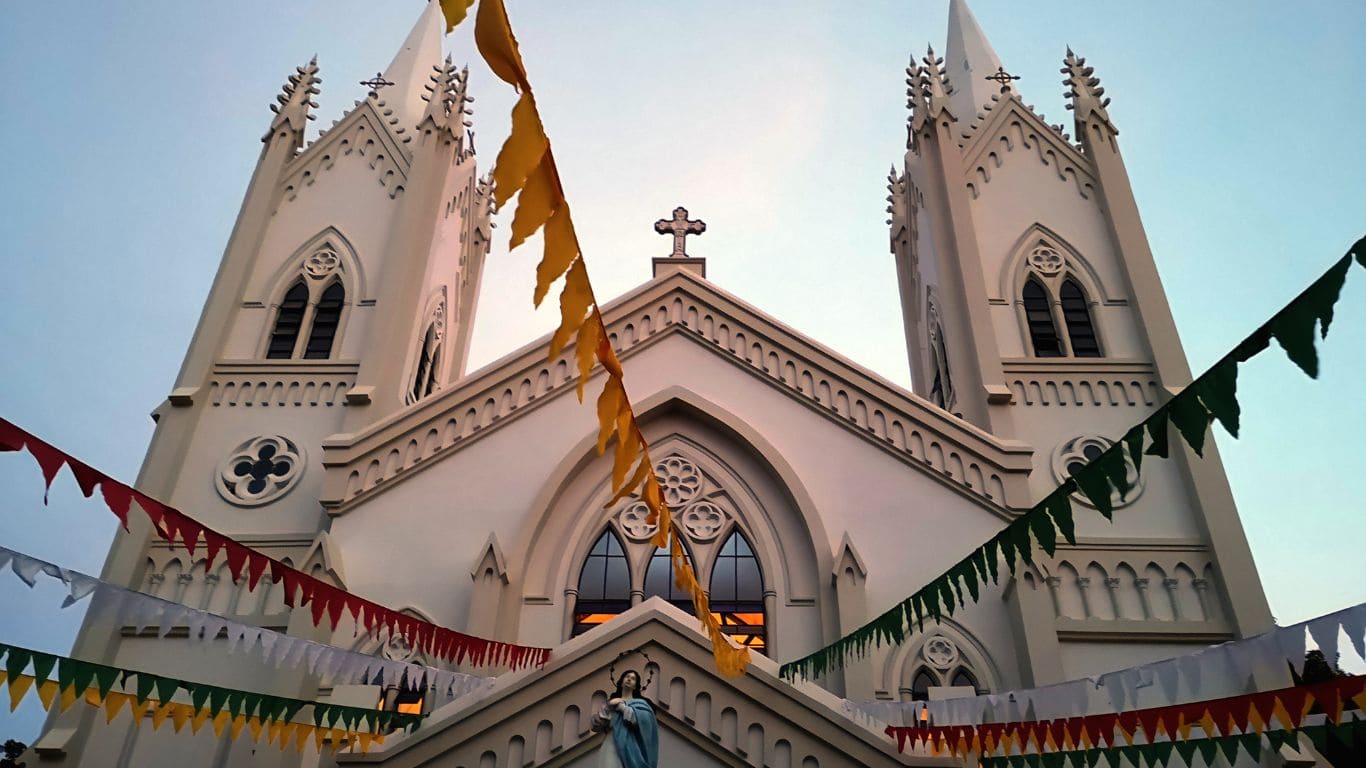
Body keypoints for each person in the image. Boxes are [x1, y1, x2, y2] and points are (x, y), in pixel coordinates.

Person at [589, 669, 658, 767]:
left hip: (630, 746)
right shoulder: (612, 703)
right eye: (627, 677)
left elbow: (645, 722)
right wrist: (609, 705)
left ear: (635, 686)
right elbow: (597, 725)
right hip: (612, 741)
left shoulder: (640, 704)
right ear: (621, 682)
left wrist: (623, 708)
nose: (629, 679)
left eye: (633, 679)